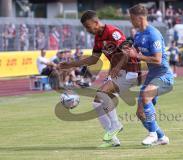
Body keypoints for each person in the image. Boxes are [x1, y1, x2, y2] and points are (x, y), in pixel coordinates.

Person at [59, 10, 140, 147]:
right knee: (97, 103)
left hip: (130, 69)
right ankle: (112, 139)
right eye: (85, 28)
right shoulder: (98, 38)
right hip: (118, 71)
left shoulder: (113, 32)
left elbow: (127, 51)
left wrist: (116, 67)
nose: (88, 30)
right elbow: (93, 59)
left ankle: (116, 125)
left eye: (88, 27)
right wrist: (71, 64)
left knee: (102, 94)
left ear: (96, 23)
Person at [124, 4, 174, 146]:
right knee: (140, 113)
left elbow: (158, 60)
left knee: (146, 95)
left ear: (139, 18)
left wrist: (137, 55)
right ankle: (162, 137)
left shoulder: (153, 34)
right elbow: (134, 51)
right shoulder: (138, 34)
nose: (130, 21)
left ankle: (152, 134)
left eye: (131, 18)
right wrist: (127, 51)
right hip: (152, 75)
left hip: (164, 75)